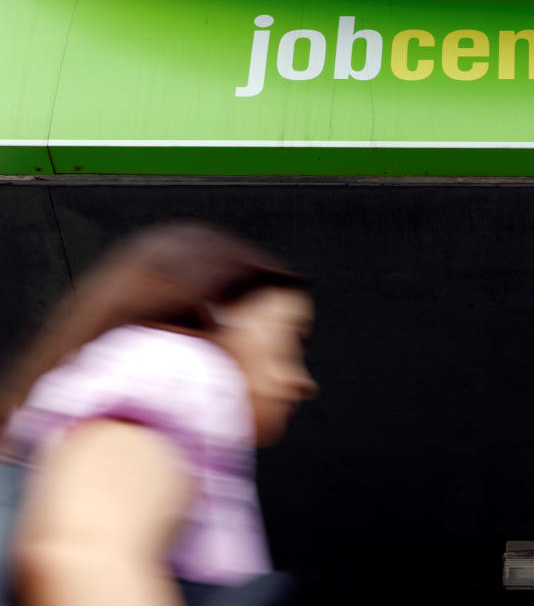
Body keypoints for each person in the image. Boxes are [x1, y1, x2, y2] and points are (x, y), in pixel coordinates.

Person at [0, 222, 318, 606]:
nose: (301, 382)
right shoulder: (177, 367)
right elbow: (83, 555)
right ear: (218, 315)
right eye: (290, 338)